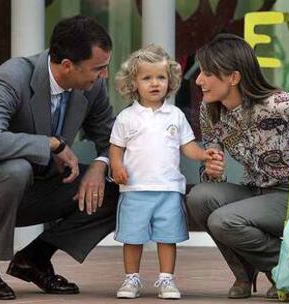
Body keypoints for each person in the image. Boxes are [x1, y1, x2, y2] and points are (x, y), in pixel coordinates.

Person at [0, 15, 118, 300]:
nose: (104, 75)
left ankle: (35, 259)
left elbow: (114, 139)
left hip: (34, 186)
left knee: (113, 193)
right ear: (67, 66)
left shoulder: (92, 89)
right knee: (15, 169)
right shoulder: (13, 76)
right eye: (99, 68)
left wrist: (99, 165)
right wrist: (51, 144)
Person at [186, 33, 289, 299]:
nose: (199, 80)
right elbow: (213, 156)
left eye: (207, 73)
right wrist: (211, 170)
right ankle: (243, 276)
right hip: (253, 190)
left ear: (233, 77)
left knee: (224, 220)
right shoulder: (209, 109)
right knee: (199, 197)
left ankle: (286, 272)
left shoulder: (275, 103)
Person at [109, 44, 211, 299]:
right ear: (134, 83)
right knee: (133, 238)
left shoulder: (175, 115)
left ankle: (167, 279)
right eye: (146, 78)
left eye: (161, 77)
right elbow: (115, 148)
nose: (155, 83)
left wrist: (203, 154)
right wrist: (117, 166)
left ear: (170, 81)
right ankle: (131, 279)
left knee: (168, 238)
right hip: (135, 190)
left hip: (168, 189)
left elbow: (188, 146)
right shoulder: (126, 118)